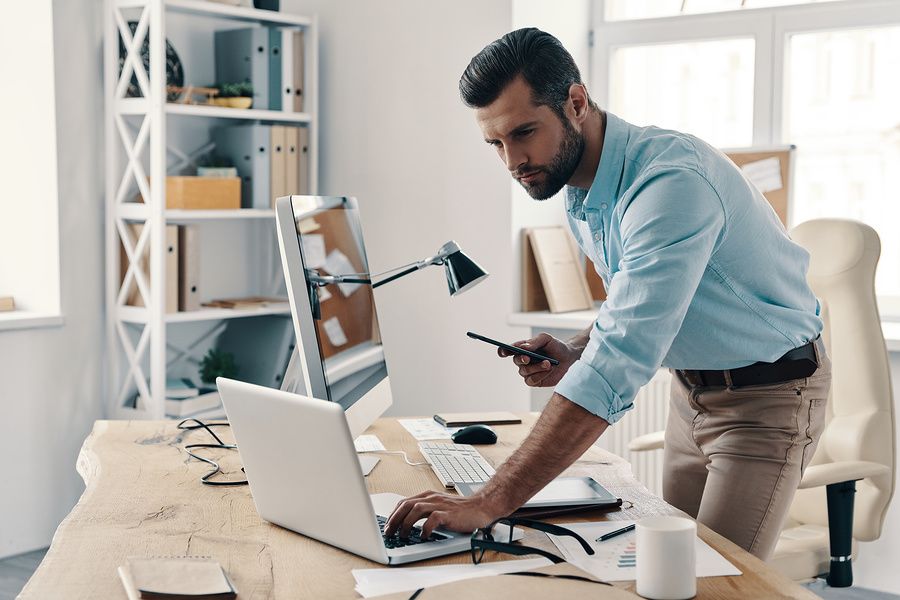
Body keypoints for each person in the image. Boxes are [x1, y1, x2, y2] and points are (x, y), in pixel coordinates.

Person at [384, 27, 831, 560]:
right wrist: (578, 349)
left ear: (576, 101)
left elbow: (620, 359)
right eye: (496, 143)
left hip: (769, 397)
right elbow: (632, 303)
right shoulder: (579, 186)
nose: (512, 161)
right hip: (690, 394)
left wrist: (491, 499)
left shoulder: (671, 183)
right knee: (668, 572)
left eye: (524, 132)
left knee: (718, 581)